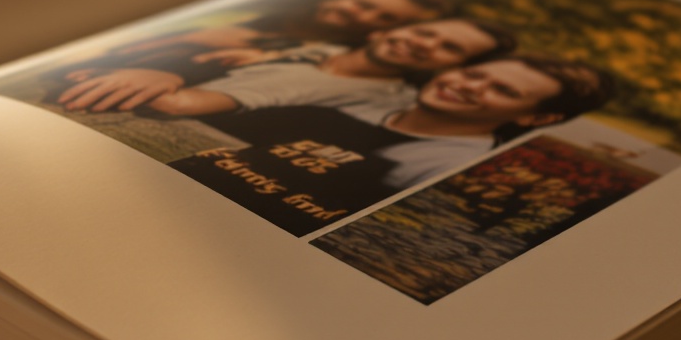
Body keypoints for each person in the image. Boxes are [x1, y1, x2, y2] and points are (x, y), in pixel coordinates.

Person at [167, 54, 612, 235]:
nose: (469, 86)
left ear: (536, 118)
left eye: (503, 91)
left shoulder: (446, 168)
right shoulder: (350, 109)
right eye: (474, 73)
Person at [52, 0, 452, 113]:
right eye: (363, 1)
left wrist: (177, 66)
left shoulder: (308, 51)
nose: (354, 13)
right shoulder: (264, 6)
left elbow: (223, 73)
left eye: (381, 18)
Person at [134, 17, 511, 120]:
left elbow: (179, 105)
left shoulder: (373, 95)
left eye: (449, 48)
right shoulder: (318, 49)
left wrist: (169, 75)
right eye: (424, 32)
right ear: (387, 30)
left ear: (454, 69)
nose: (424, 43)